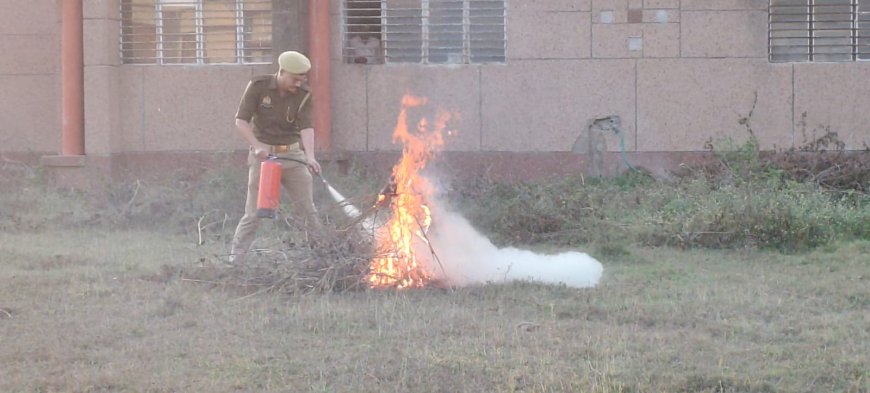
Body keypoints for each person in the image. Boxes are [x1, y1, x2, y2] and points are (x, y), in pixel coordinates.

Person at [229, 50, 323, 262]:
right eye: (294, 79)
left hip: (292, 155)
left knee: (308, 211)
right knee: (254, 213)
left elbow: (307, 128)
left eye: (301, 80)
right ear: (281, 72)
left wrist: (310, 157)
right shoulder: (258, 87)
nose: (297, 84)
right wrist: (257, 146)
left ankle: (322, 256)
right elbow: (240, 121)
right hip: (264, 158)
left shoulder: (304, 95)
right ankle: (235, 261)